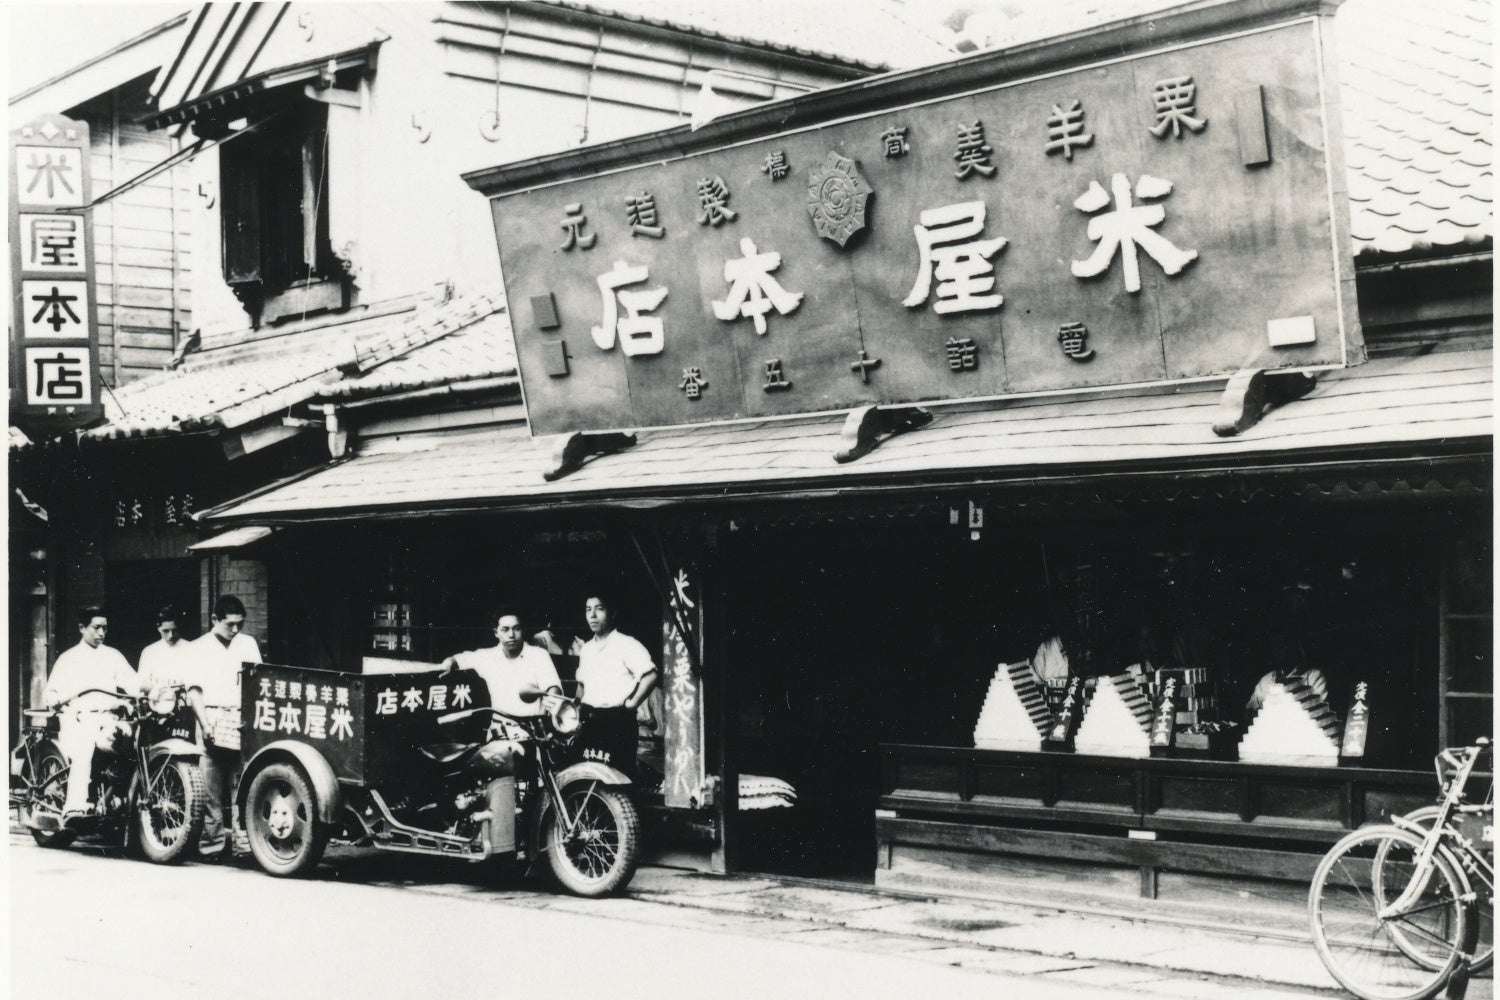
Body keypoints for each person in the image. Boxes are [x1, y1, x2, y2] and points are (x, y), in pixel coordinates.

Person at [42, 607, 139, 820]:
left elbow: (134, 683)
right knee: (83, 751)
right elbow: (50, 693)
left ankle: (118, 801)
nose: (101, 633)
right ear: (82, 628)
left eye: (105, 628)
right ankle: (74, 808)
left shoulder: (113, 656)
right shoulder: (68, 659)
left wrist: (147, 692)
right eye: (96, 628)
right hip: (79, 719)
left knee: (129, 742)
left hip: (107, 719)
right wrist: (55, 698)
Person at [441, 612, 563, 773]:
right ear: (496, 633)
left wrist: (552, 699)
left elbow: (552, 687)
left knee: (538, 781)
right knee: (498, 782)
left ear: (522, 630)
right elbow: (459, 659)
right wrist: (449, 662)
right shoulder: (487, 657)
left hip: (533, 734)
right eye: (505, 629)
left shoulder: (538, 655)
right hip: (500, 735)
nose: (511, 634)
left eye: (516, 629)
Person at [190, 595, 262, 860]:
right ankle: (212, 844)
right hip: (210, 716)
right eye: (229, 624)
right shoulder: (198, 648)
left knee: (241, 786)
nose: (235, 629)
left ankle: (244, 845)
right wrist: (204, 723)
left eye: (239, 624)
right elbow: (194, 691)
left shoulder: (248, 644)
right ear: (214, 620)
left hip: (240, 719)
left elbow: (257, 682)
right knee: (210, 788)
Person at [576, 593, 658, 778]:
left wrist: (633, 703)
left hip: (617, 722)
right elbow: (581, 685)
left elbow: (651, 674)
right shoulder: (586, 649)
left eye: (599, 609)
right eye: (588, 610)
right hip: (589, 721)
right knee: (587, 776)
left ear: (612, 613)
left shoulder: (626, 644)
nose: (592, 615)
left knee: (618, 778)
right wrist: (576, 711)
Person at [138, 604, 197, 693]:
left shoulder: (191, 649)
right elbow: (141, 685)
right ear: (158, 628)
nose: (171, 635)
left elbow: (196, 683)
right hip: (157, 699)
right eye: (166, 631)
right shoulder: (149, 652)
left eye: (174, 630)